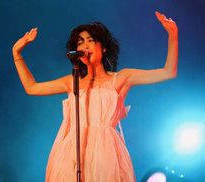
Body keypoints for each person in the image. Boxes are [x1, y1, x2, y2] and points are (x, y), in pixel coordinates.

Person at [12, 11, 178, 182]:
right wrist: (17, 54)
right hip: (73, 152)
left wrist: (173, 34)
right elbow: (32, 88)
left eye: (91, 40)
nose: (85, 46)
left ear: (103, 47)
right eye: (80, 42)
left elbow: (168, 72)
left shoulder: (120, 78)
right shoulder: (72, 81)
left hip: (106, 153)